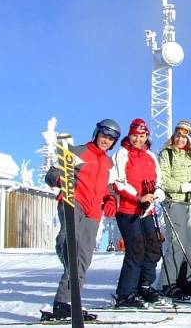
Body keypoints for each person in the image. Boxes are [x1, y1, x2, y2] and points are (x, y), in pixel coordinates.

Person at [45, 119, 121, 320]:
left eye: (111, 138)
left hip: (93, 211)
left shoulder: (109, 164)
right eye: (104, 135)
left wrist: (112, 199)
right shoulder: (78, 152)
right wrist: (61, 179)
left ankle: (67, 303)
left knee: (83, 259)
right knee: (70, 246)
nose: (107, 140)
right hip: (74, 202)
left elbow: (111, 187)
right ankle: (63, 301)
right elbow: (52, 173)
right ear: (97, 133)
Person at [111, 118, 163, 308]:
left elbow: (159, 180)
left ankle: (144, 285)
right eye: (135, 136)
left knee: (153, 247)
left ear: (146, 136)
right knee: (136, 249)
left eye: (141, 136)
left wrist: (155, 195)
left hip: (147, 210)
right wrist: (138, 197)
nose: (138, 140)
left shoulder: (150, 156)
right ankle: (125, 294)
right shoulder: (122, 153)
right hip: (128, 209)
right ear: (129, 135)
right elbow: (117, 182)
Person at [158, 120, 191, 299]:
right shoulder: (167, 154)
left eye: (184, 136)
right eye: (178, 135)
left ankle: (183, 280)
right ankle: (167, 282)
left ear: (189, 138)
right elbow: (162, 180)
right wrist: (184, 187)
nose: (180, 139)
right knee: (177, 245)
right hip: (175, 202)